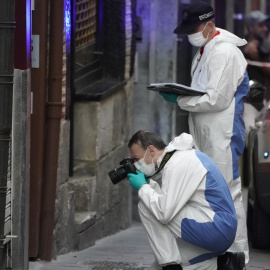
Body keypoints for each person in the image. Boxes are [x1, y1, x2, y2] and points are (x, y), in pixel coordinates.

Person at [159, 1, 249, 267]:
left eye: (194, 28)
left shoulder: (224, 53)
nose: (190, 34)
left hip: (222, 134)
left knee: (228, 193)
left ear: (210, 26)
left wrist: (179, 100)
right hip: (209, 133)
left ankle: (236, 256)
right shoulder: (205, 50)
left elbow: (216, 99)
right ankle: (223, 255)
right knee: (215, 193)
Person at [127, 130, 244, 270]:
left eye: (136, 159)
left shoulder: (178, 163)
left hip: (216, 228)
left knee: (146, 205)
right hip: (216, 229)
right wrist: (148, 185)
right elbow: (170, 201)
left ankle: (170, 266)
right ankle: (224, 264)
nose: (135, 165)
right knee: (159, 267)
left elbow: (164, 212)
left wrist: (143, 187)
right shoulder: (180, 158)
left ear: (151, 150)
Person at [243, 10, 270, 102]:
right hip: (247, 100)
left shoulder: (267, 46)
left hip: (265, 99)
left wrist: (257, 59)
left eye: (265, 25)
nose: (265, 29)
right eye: (261, 26)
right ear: (251, 27)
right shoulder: (241, 45)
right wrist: (244, 54)